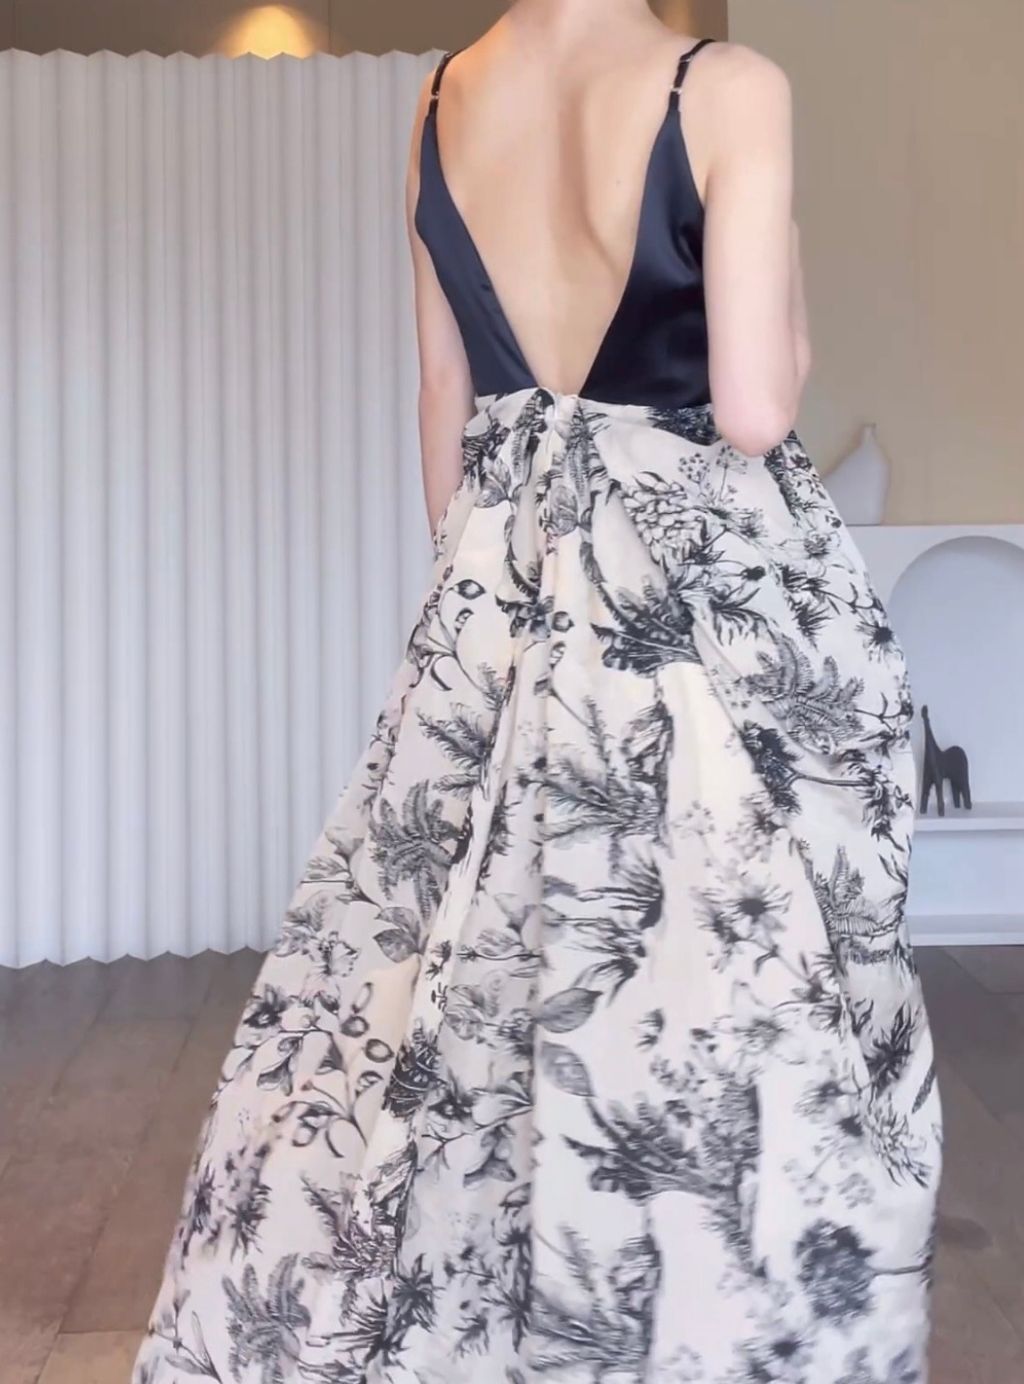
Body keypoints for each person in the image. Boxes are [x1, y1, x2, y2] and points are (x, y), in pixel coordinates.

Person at [133, 3, 943, 1380]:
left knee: (458, 999)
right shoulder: (725, 84)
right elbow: (754, 408)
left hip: (499, 606)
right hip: (687, 619)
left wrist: (507, 595)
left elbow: (442, 422)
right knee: (707, 1003)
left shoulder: (440, 101)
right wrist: (790, 278)